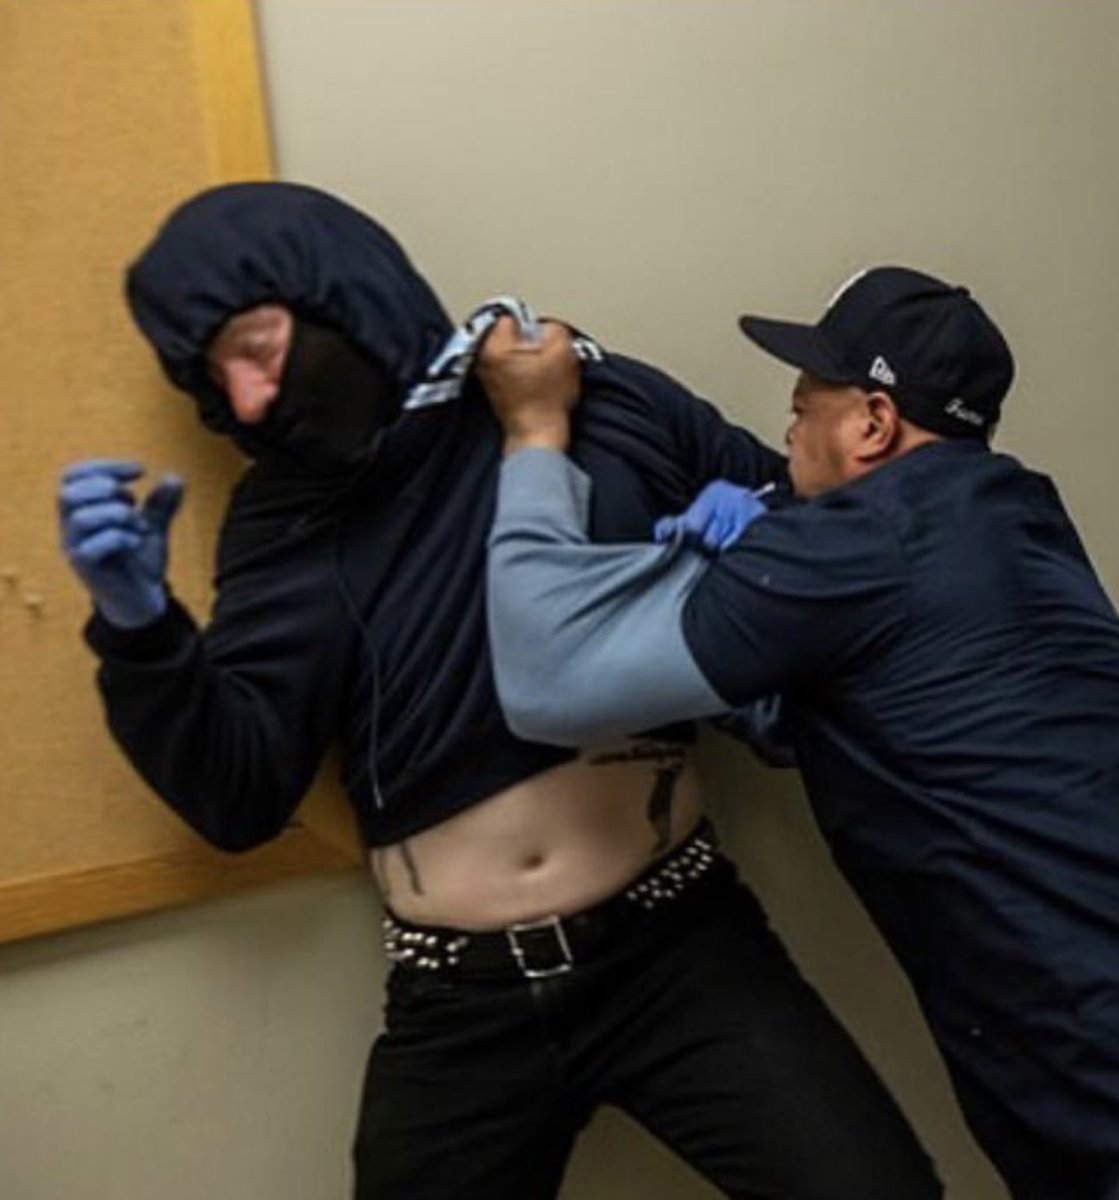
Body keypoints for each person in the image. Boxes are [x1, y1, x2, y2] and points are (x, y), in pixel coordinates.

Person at [58, 185, 940, 1200]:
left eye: (256, 347)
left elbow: (820, 534)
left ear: (338, 296)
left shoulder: (589, 400)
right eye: (218, 379)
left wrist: (762, 531)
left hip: (680, 948)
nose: (251, 400)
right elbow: (240, 792)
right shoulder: (285, 524)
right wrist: (138, 630)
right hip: (458, 1001)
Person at [481, 265, 1119, 1200]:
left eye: (800, 406)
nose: (785, 437)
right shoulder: (1016, 513)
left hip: (1086, 1039)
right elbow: (881, 713)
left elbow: (543, 681)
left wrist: (533, 438)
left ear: (870, 423)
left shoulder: (859, 549)